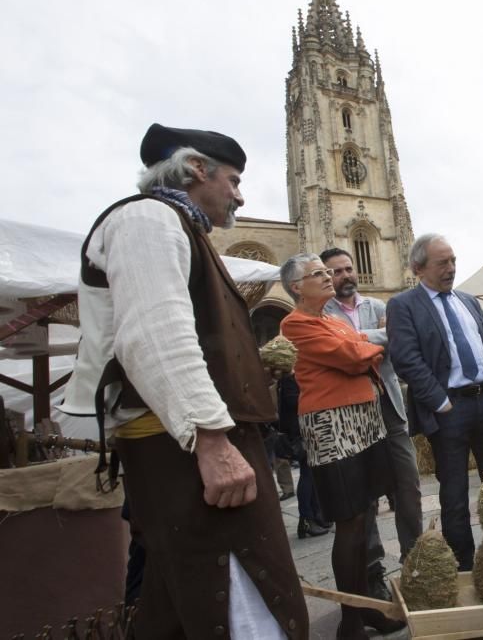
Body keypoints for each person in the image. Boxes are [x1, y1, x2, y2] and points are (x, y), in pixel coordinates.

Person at [61, 123, 308, 637]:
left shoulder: (178, 226)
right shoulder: (148, 219)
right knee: (239, 600)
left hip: (193, 443)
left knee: (183, 602)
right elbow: (153, 335)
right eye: (234, 179)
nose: (239, 195)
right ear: (197, 168)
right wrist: (211, 439)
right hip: (182, 448)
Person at [279, 253, 403, 638]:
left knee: (365, 514)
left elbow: (360, 347)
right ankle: (350, 621)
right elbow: (352, 356)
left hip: (364, 420)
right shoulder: (294, 323)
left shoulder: (331, 320)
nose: (328, 277)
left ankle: (366, 609)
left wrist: (366, 348)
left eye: (326, 271)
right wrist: (371, 349)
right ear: (297, 287)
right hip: (332, 425)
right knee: (348, 524)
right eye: (318, 273)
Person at [386, 234, 483, 570]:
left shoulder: (468, 301)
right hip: (449, 411)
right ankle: (466, 567)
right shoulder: (404, 305)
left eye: (453, 260)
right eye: (442, 263)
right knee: (454, 497)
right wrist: (441, 403)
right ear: (418, 268)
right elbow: (406, 359)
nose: (451, 268)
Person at [320, 246, 423, 601]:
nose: (346, 275)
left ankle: (417, 563)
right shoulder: (321, 315)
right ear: (325, 277)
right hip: (352, 417)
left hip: (389, 408)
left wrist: (356, 345)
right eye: (336, 271)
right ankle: (374, 572)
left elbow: (399, 345)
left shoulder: (381, 306)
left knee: (407, 487)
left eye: (348, 268)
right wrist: (372, 341)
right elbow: (340, 356)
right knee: (364, 500)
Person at [275, 373, 328, 539]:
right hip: (301, 432)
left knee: (312, 475)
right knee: (308, 475)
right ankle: (307, 519)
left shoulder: (290, 379)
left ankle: (315, 515)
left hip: (304, 430)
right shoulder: (288, 379)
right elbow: (294, 402)